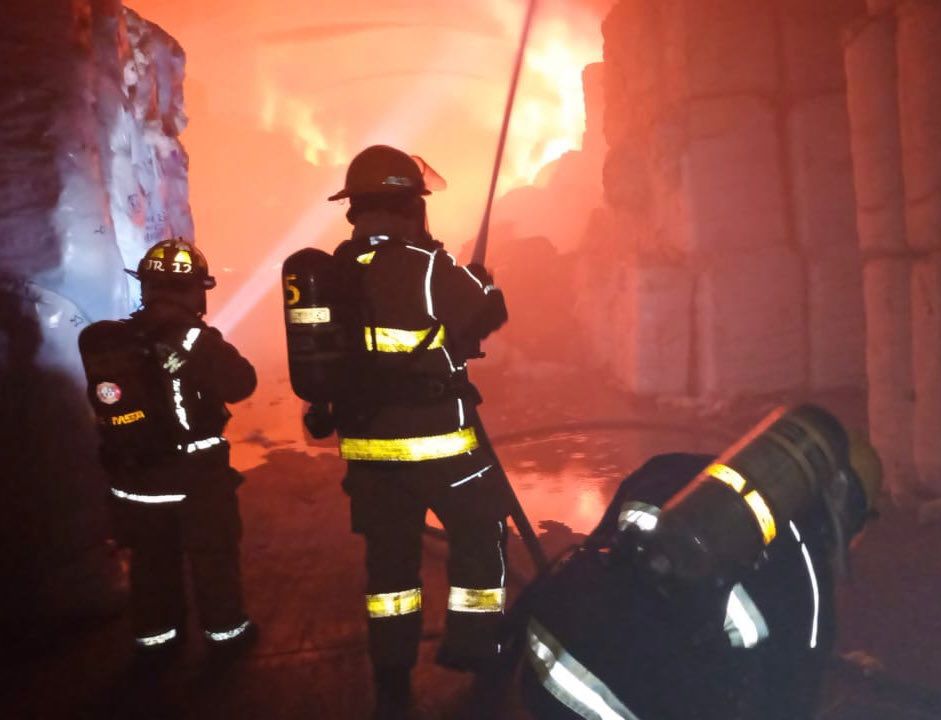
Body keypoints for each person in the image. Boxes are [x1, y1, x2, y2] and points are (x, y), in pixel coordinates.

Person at [307, 145, 513, 719]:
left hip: (369, 456)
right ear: (409, 205)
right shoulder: (425, 266)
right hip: (441, 447)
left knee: (390, 574)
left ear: (356, 207)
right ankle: (476, 652)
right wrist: (480, 282)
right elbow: (487, 314)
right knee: (481, 535)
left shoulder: (334, 273)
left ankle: (392, 678)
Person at [519, 406, 883, 720]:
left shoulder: (668, 469)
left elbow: (603, 554)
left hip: (542, 663)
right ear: (847, 510)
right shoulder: (806, 584)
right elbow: (785, 706)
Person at [78, 238, 257, 658]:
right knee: (212, 557)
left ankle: (157, 639)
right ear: (194, 289)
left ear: (146, 287)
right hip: (196, 481)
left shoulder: (117, 339)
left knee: (151, 563)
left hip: (135, 481)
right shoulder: (196, 341)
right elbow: (242, 383)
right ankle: (226, 635)